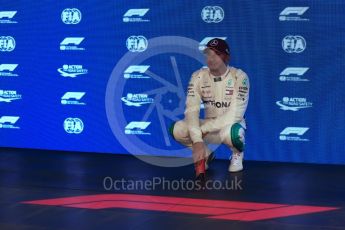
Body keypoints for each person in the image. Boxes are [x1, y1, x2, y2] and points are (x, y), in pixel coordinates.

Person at [169, 38, 250, 181]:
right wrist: (197, 141)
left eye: (216, 54)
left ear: (226, 57)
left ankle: (237, 153)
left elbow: (235, 115)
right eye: (208, 54)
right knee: (178, 129)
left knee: (234, 132)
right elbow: (191, 110)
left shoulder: (240, 76)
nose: (210, 59)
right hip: (208, 128)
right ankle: (206, 154)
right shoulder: (198, 76)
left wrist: (204, 129)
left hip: (229, 127)